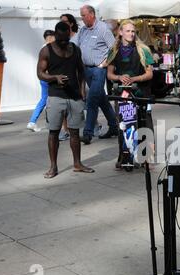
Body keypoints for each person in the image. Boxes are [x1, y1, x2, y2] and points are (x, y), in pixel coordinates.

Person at [37, 22, 94, 179]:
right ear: (56, 35)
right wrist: (54, 78)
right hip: (56, 96)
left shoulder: (75, 49)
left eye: (66, 39)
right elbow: (40, 73)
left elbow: (81, 71)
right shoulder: (46, 51)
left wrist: (82, 91)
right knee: (53, 132)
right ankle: (53, 167)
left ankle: (77, 163)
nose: (64, 42)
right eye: (61, 39)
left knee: (75, 132)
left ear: (70, 34)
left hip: (74, 96)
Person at [106, 19, 154, 169]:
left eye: (133, 31)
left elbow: (150, 73)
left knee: (144, 124)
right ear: (120, 32)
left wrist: (134, 79)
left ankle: (147, 158)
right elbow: (109, 74)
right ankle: (124, 157)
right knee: (124, 125)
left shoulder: (143, 49)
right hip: (122, 94)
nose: (131, 34)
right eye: (128, 31)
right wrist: (119, 77)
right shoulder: (114, 51)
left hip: (141, 92)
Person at [74, 5, 118, 145]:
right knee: (101, 99)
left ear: (92, 14)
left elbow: (114, 49)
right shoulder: (83, 30)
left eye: (84, 15)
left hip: (98, 70)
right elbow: (74, 44)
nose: (82, 18)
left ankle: (88, 133)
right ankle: (114, 127)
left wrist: (105, 63)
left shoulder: (103, 29)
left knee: (92, 100)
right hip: (87, 70)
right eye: (81, 15)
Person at [27, 30, 55, 132]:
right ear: (51, 37)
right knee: (48, 100)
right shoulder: (50, 48)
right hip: (49, 78)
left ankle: (35, 121)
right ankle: (33, 122)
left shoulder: (43, 48)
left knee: (45, 99)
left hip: (44, 77)